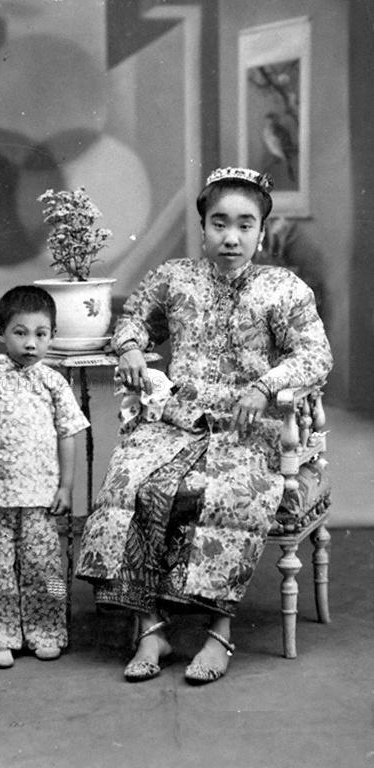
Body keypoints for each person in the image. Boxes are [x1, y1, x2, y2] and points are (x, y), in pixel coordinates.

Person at [76, 166, 333, 685]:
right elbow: (132, 319)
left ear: (262, 231)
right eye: (219, 223)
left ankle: (219, 632)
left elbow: (315, 354)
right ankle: (152, 628)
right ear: (203, 227)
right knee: (128, 482)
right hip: (178, 419)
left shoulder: (283, 288)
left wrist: (265, 386)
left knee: (227, 493)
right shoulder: (174, 278)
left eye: (245, 224)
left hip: (250, 426)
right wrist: (128, 346)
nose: (231, 236)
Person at [0, 285, 89, 668]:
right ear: (0, 333)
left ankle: (48, 631)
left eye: (41, 334)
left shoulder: (53, 383)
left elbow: (67, 434)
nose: (31, 343)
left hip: (41, 499)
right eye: (20, 332)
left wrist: (66, 486)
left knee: (47, 572)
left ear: (52, 336)